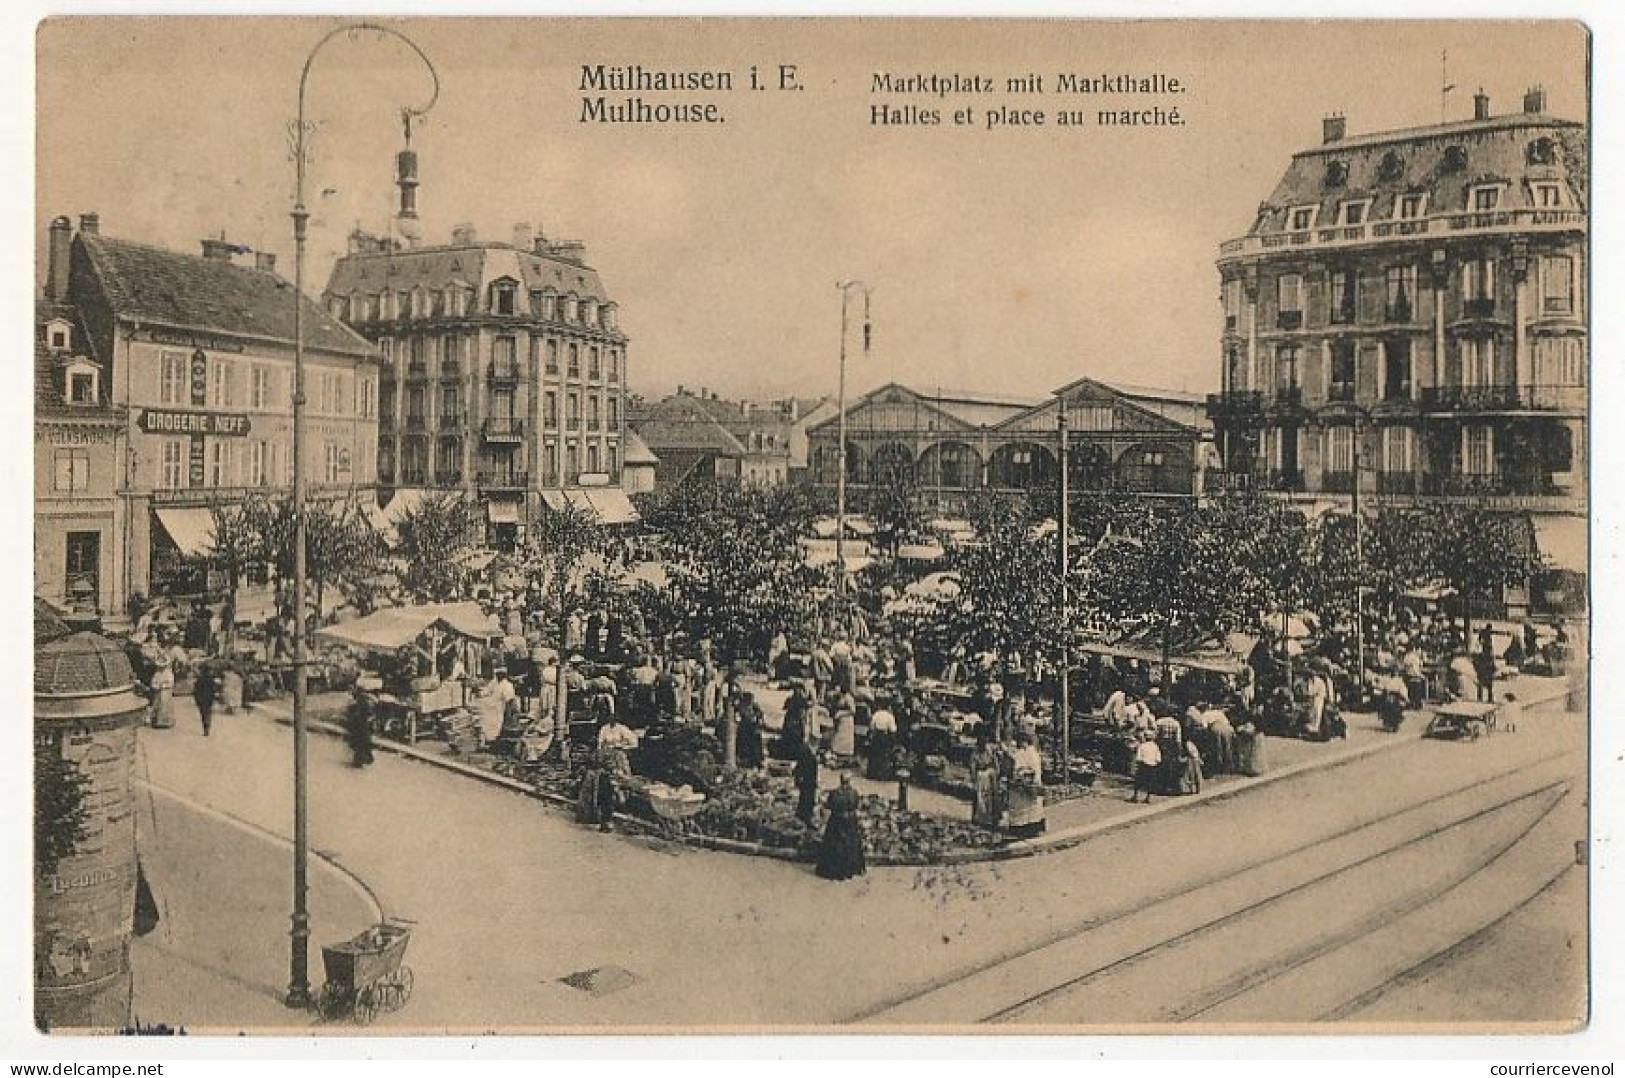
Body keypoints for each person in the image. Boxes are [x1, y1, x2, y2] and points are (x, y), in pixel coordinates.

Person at [815, 773, 867, 880]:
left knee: (835, 843)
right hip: (850, 821)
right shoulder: (854, 793)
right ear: (849, 781)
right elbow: (856, 805)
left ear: (840, 780)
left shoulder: (834, 793)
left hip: (837, 820)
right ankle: (851, 868)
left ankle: (834, 869)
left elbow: (829, 805)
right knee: (851, 843)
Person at [1006, 732, 1046, 838]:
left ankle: (1032, 828)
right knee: (1019, 803)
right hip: (1021, 781)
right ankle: (1020, 828)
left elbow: (1035, 768)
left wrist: (1029, 777)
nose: (1021, 744)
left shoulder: (1032, 752)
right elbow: (1016, 764)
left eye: (1022, 742)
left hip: (1030, 781)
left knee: (1032, 805)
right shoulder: (1021, 752)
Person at [346, 689, 377, 768]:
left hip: (361, 727)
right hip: (362, 727)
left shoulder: (361, 702)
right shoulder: (362, 703)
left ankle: (360, 760)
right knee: (362, 744)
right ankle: (360, 760)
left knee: (361, 744)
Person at [866, 705, 899, 781]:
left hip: (876, 736)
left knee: (874, 754)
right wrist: (893, 741)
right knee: (884, 756)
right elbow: (893, 730)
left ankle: (872, 774)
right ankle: (882, 775)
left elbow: (871, 727)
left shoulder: (876, 714)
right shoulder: (890, 716)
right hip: (885, 736)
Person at [792, 739, 820, 826]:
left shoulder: (805, 750)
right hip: (808, 780)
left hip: (807, 779)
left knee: (804, 798)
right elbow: (803, 766)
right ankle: (805, 816)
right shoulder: (807, 753)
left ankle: (801, 814)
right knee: (807, 799)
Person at [1130, 731, 1161, 803]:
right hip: (1152, 766)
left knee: (1138, 781)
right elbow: (1158, 759)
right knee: (1150, 782)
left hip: (1143, 765)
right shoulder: (1156, 746)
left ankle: (1135, 796)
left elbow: (1138, 758)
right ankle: (1148, 798)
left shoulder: (1142, 746)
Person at [192, 663, 218, 737]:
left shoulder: (200, 679)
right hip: (209, 698)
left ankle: (205, 728)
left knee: (203, 714)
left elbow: (196, 690)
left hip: (201, 699)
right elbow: (214, 689)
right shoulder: (211, 678)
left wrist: (196, 699)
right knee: (208, 712)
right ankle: (207, 727)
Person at [147, 658, 174, 729]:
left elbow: (170, 683)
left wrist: (163, 686)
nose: (161, 668)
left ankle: (166, 722)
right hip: (158, 692)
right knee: (157, 705)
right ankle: (157, 722)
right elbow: (153, 682)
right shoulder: (157, 674)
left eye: (163, 666)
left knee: (165, 705)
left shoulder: (169, 673)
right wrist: (155, 686)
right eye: (160, 666)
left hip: (166, 692)